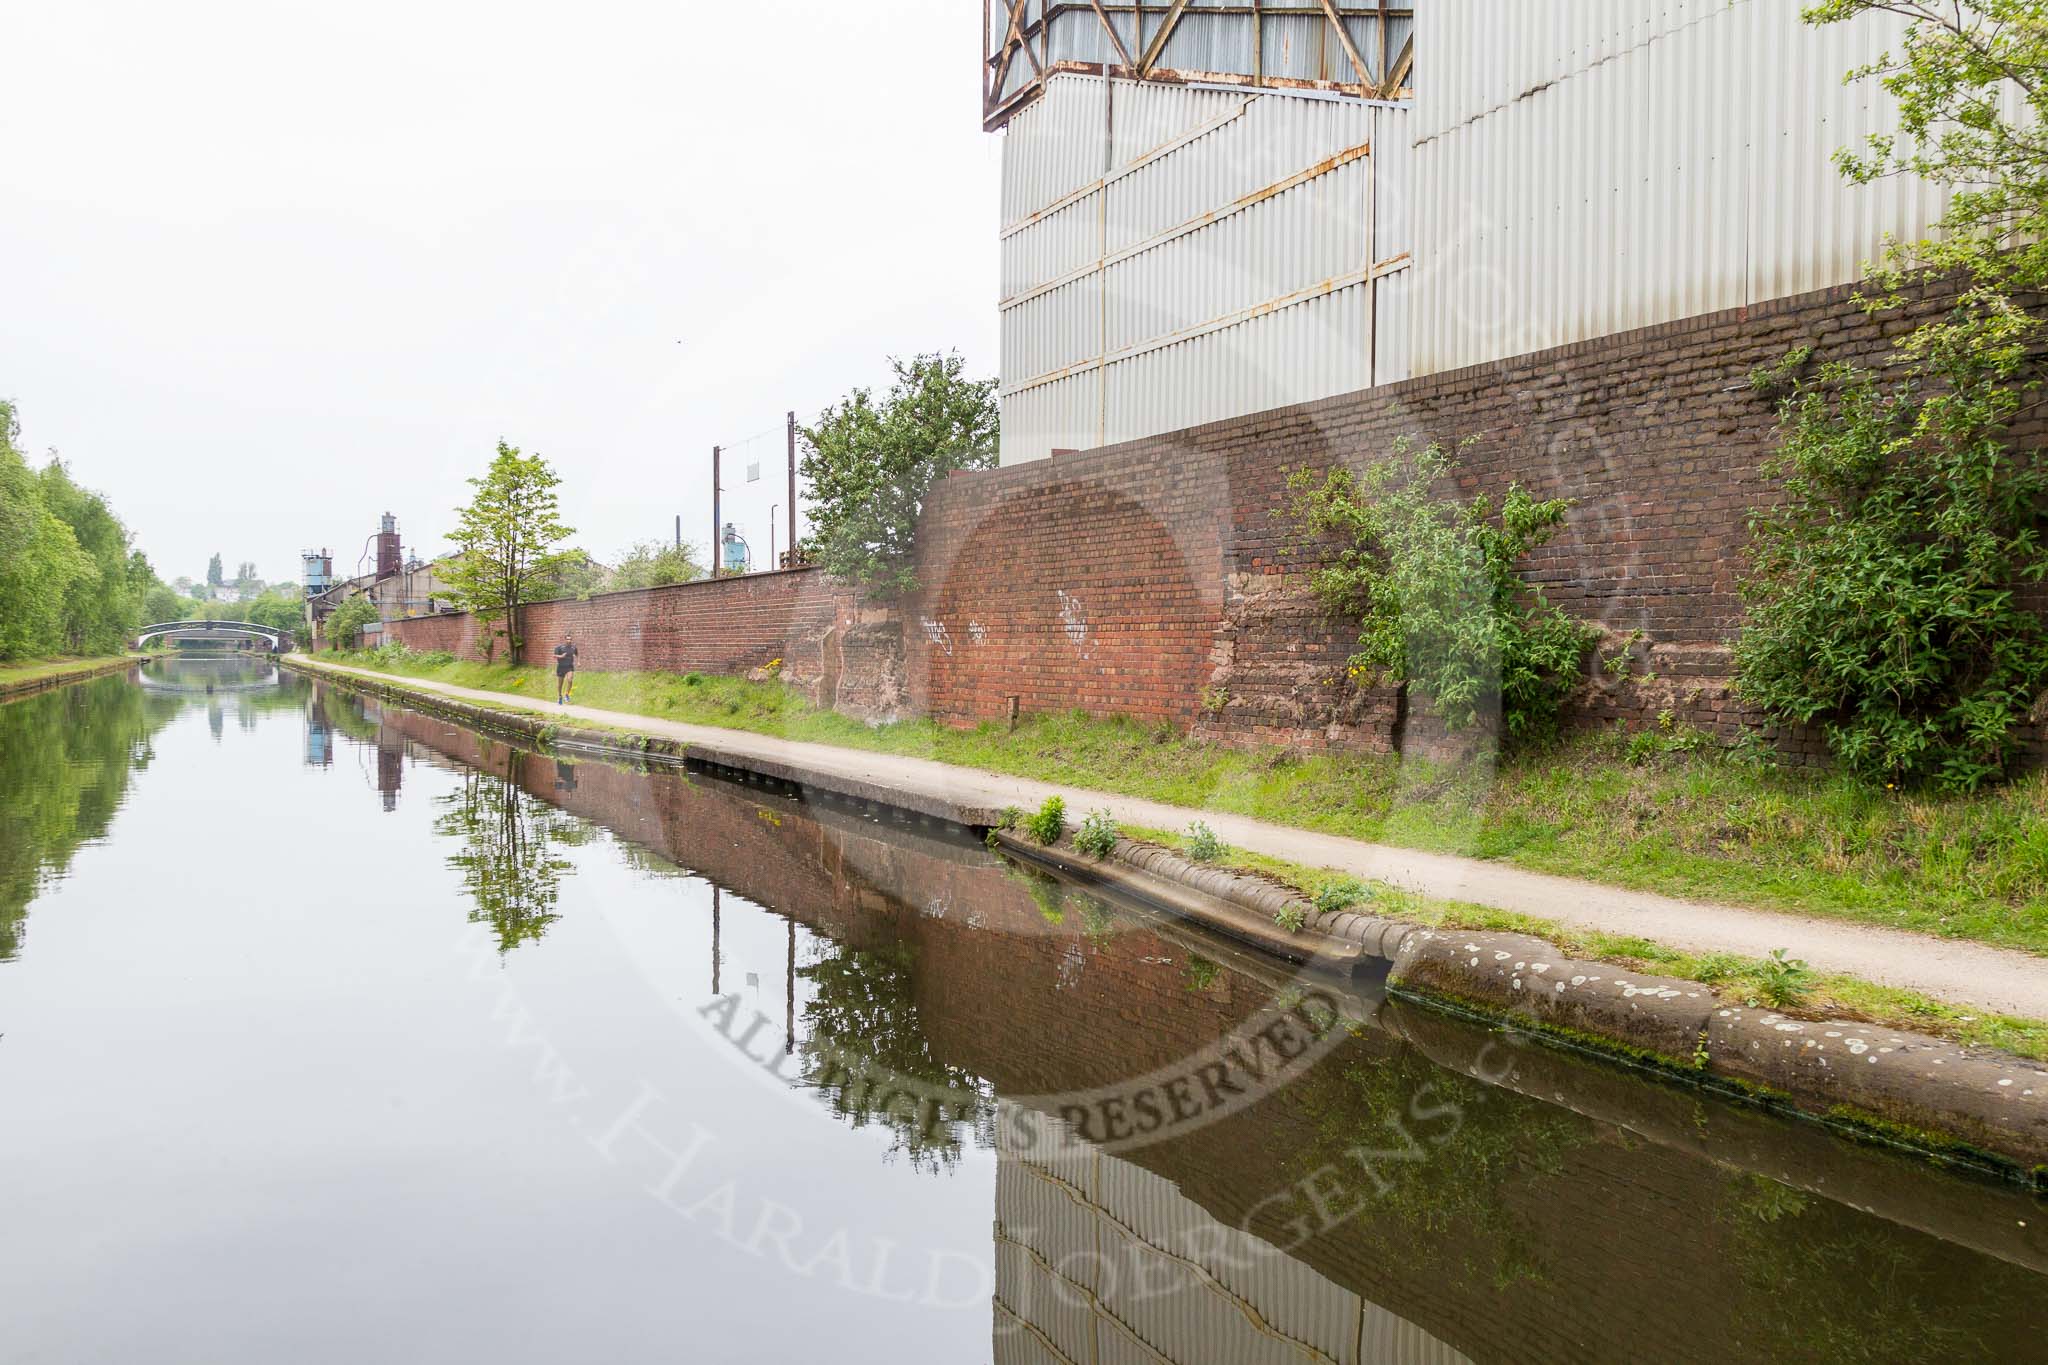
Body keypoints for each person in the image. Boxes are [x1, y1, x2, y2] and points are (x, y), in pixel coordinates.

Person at [553, 635, 578, 704]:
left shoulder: (573, 648)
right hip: (561, 667)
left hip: (569, 666)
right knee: (560, 684)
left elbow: (577, 654)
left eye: (570, 639)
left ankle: (567, 695)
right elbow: (554, 656)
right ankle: (559, 696)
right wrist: (561, 656)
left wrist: (578, 662)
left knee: (570, 680)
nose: (569, 641)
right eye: (567, 639)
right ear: (565, 640)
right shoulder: (559, 647)